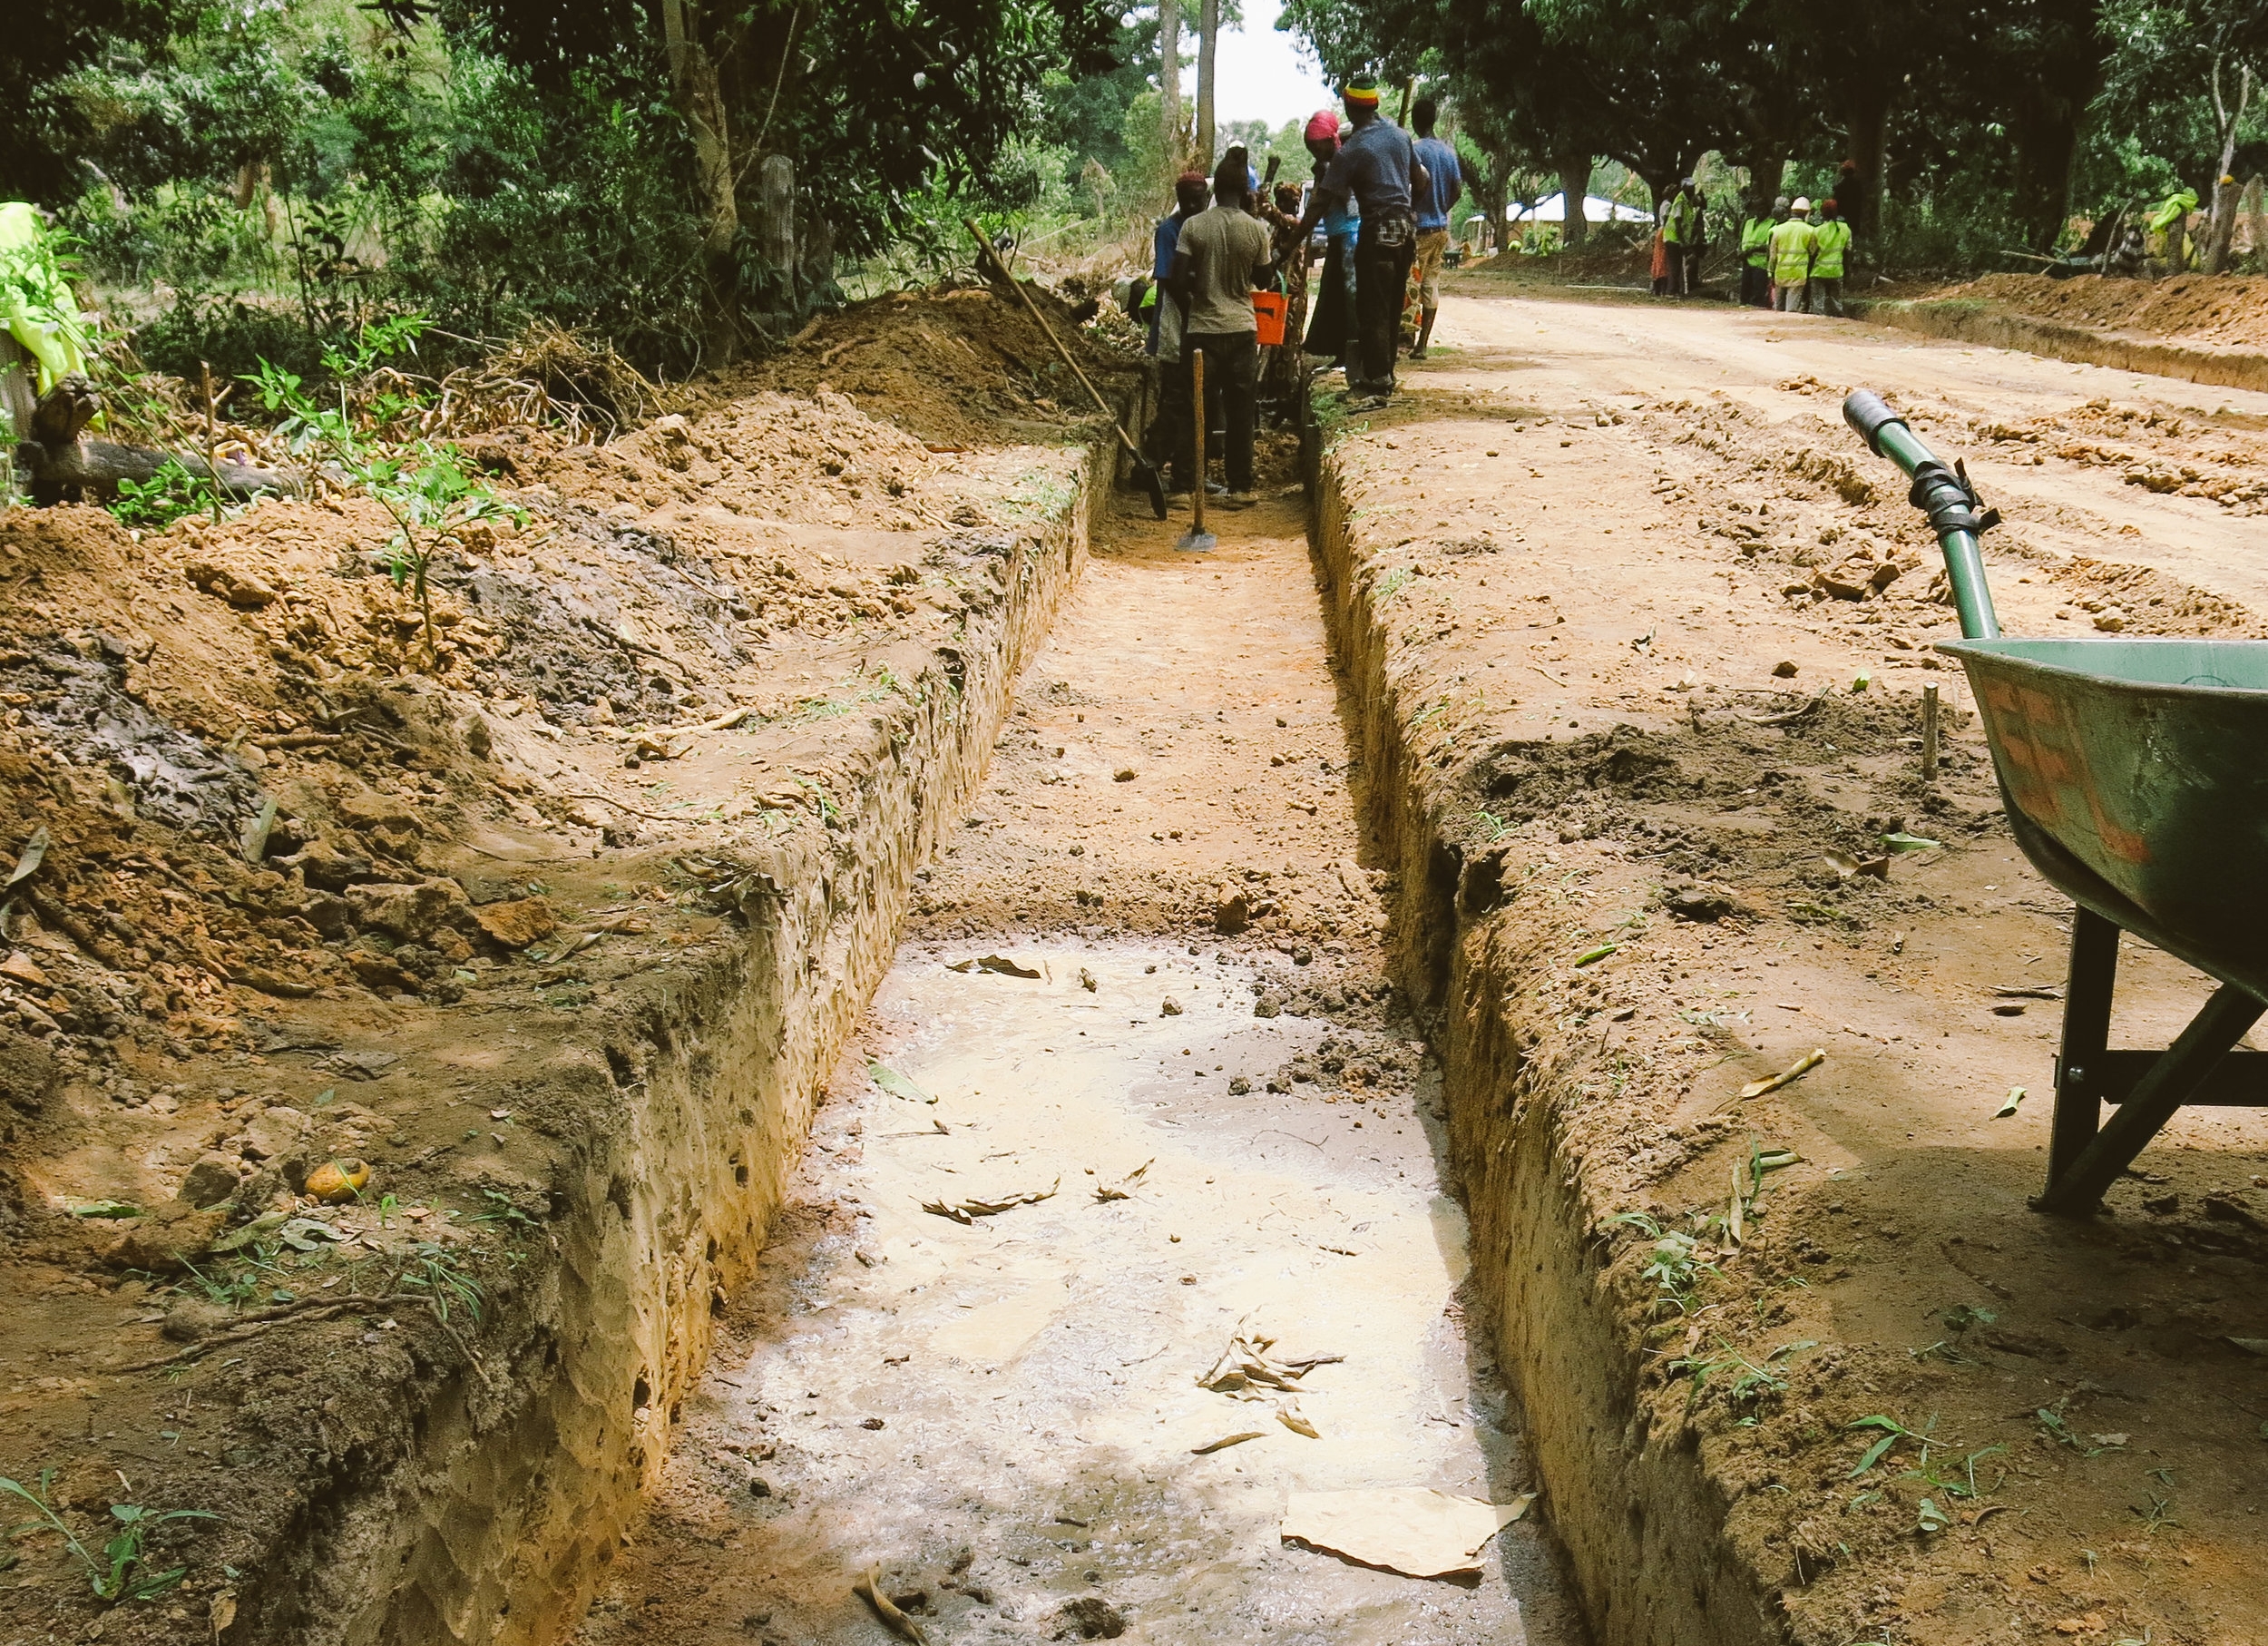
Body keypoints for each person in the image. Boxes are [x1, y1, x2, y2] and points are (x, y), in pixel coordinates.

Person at [1296, 76, 1429, 408]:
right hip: (1404, 230)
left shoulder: (1353, 150)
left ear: (1350, 107)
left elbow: (1319, 204)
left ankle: (1376, 381)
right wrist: (1412, 209)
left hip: (1378, 228)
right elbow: (1422, 179)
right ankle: (1385, 373)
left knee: (1373, 308)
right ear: (1375, 104)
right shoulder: (1400, 136)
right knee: (1392, 302)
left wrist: (1291, 244)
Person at [1168, 152, 1275, 505]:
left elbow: (1179, 277)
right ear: (1245, 191)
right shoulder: (1256, 229)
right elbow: (1263, 277)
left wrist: (1203, 286)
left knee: (1193, 407)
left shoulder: (1194, 226)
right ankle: (1240, 487)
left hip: (1202, 330)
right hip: (1242, 330)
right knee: (1241, 410)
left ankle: (1184, 486)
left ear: (1217, 188)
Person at [1299, 109, 1360, 376]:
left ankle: (1352, 357)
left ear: (1329, 141)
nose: (1314, 152)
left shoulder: (1341, 163)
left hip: (1350, 234)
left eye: (1316, 146)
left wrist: (1324, 176)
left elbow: (1327, 200)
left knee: (1350, 297)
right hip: (1337, 234)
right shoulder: (1326, 166)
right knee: (1335, 296)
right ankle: (1339, 355)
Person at [1406, 98, 1462, 361]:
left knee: (1408, 285)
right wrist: (1442, 207)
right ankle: (1422, 345)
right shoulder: (1448, 152)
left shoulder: (1415, 150)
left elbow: (1411, 186)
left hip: (1418, 229)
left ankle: (1404, 338)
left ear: (1416, 121)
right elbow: (1457, 190)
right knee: (1430, 284)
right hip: (1441, 228)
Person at [1768, 196, 1816, 312]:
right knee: (1791, 310)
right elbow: (1813, 252)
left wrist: (1771, 273)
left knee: (1778, 308)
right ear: (1806, 213)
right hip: (1798, 274)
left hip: (1780, 273)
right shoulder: (1810, 231)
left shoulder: (1778, 230)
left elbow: (1773, 256)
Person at [1809, 197, 1853, 315]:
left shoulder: (1817, 231)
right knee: (1837, 302)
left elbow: (1812, 253)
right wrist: (1848, 272)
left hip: (1819, 271)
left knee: (1818, 303)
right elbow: (1848, 252)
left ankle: (1819, 326)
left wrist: (1808, 272)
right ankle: (1838, 322)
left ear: (1822, 213)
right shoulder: (1845, 229)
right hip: (1837, 271)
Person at [1660, 179, 1696, 295]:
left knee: (1677, 265)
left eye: (1693, 188)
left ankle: (1675, 290)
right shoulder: (1680, 201)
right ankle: (1671, 291)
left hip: (1676, 238)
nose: (1693, 191)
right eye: (1690, 189)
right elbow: (1678, 222)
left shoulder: (1687, 200)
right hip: (1673, 238)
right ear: (1684, 189)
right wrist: (1682, 241)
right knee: (1674, 265)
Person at [1738, 197, 1774, 308]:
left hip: (1761, 264)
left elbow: (1771, 246)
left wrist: (1753, 250)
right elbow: (1741, 240)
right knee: (1745, 294)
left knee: (1758, 294)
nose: (1759, 212)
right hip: (1746, 262)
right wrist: (1739, 250)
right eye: (1757, 209)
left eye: (1762, 209)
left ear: (1768, 210)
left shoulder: (1772, 224)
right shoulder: (1748, 223)